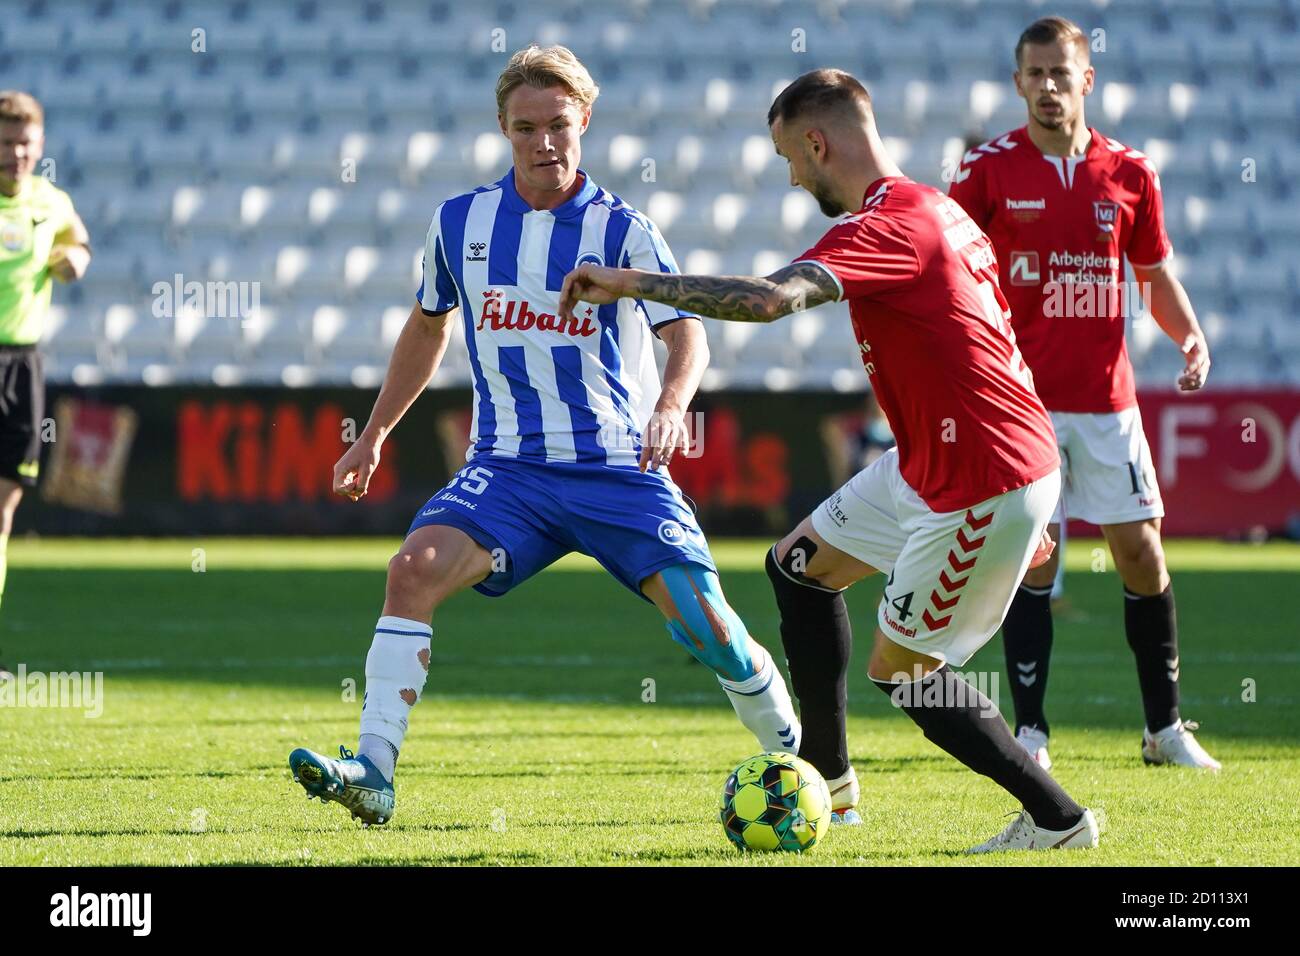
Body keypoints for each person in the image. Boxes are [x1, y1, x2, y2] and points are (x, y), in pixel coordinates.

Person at [559, 68, 1098, 852]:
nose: (791, 175)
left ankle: (1059, 819)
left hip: (982, 478)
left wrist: (631, 284)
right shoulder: (937, 210)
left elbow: (770, 300)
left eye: (790, 157)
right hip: (935, 464)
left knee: (903, 670)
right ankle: (831, 785)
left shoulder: (886, 225)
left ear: (818, 141)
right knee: (797, 568)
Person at [288, 46, 801, 826]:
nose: (544, 143)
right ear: (503, 127)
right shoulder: (460, 222)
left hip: (615, 469)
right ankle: (374, 770)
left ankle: (809, 768)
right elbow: (428, 326)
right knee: (412, 570)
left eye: (559, 125)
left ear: (585, 121)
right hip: (509, 470)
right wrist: (376, 433)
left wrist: (669, 406)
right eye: (526, 128)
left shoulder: (622, 228)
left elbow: (685, 333)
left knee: (711, 631)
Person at [948, 16, 1219, 771]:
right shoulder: (985, 171)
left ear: (1085, 81)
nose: (1046, 88)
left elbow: (1155, 274)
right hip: (1020, 402)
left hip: (1108, 404)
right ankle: (1031, 730)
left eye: (1059, 74)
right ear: (1017, 83)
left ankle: (1164, 731)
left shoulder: (1131, 172)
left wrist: (1188, 336)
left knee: (1140, 553)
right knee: (1035, 556)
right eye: (1032, 75)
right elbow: (949, 272)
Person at [0, 91, 90, 681]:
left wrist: (75, 259)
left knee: (2, 511)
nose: (16, 154)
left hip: (22, 366)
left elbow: (78, 243)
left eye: (26, 144)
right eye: (7, 143)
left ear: (40, 147)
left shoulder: (49, 201)